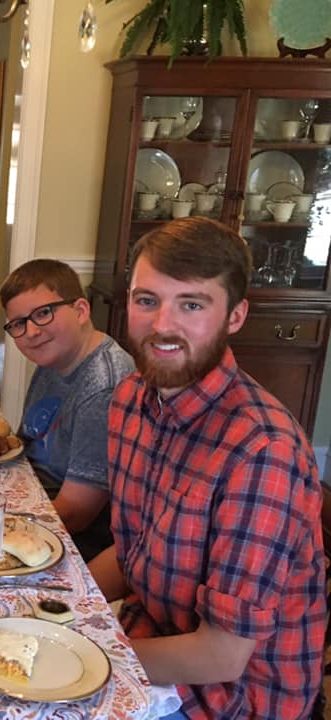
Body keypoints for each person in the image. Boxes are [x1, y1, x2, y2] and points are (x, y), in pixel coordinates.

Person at [88, 217, 326, 720]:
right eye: (147, 300)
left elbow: (221, 656)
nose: (162, 325)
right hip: (150, 636)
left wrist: (81, 654)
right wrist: (57, 608)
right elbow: (133, 554)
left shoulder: (263, 452)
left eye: (191, 304)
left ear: (234, 316)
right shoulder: (131, 400)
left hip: (229, 698)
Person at [0, 259, 133, 561]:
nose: (31, 331)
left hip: (72, 538)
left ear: (81, 310)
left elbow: (76, 515)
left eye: (43, 313)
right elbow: (26, 444)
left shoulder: (103, 386)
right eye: (18, 323)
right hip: (32, 495)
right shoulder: (55, 357)